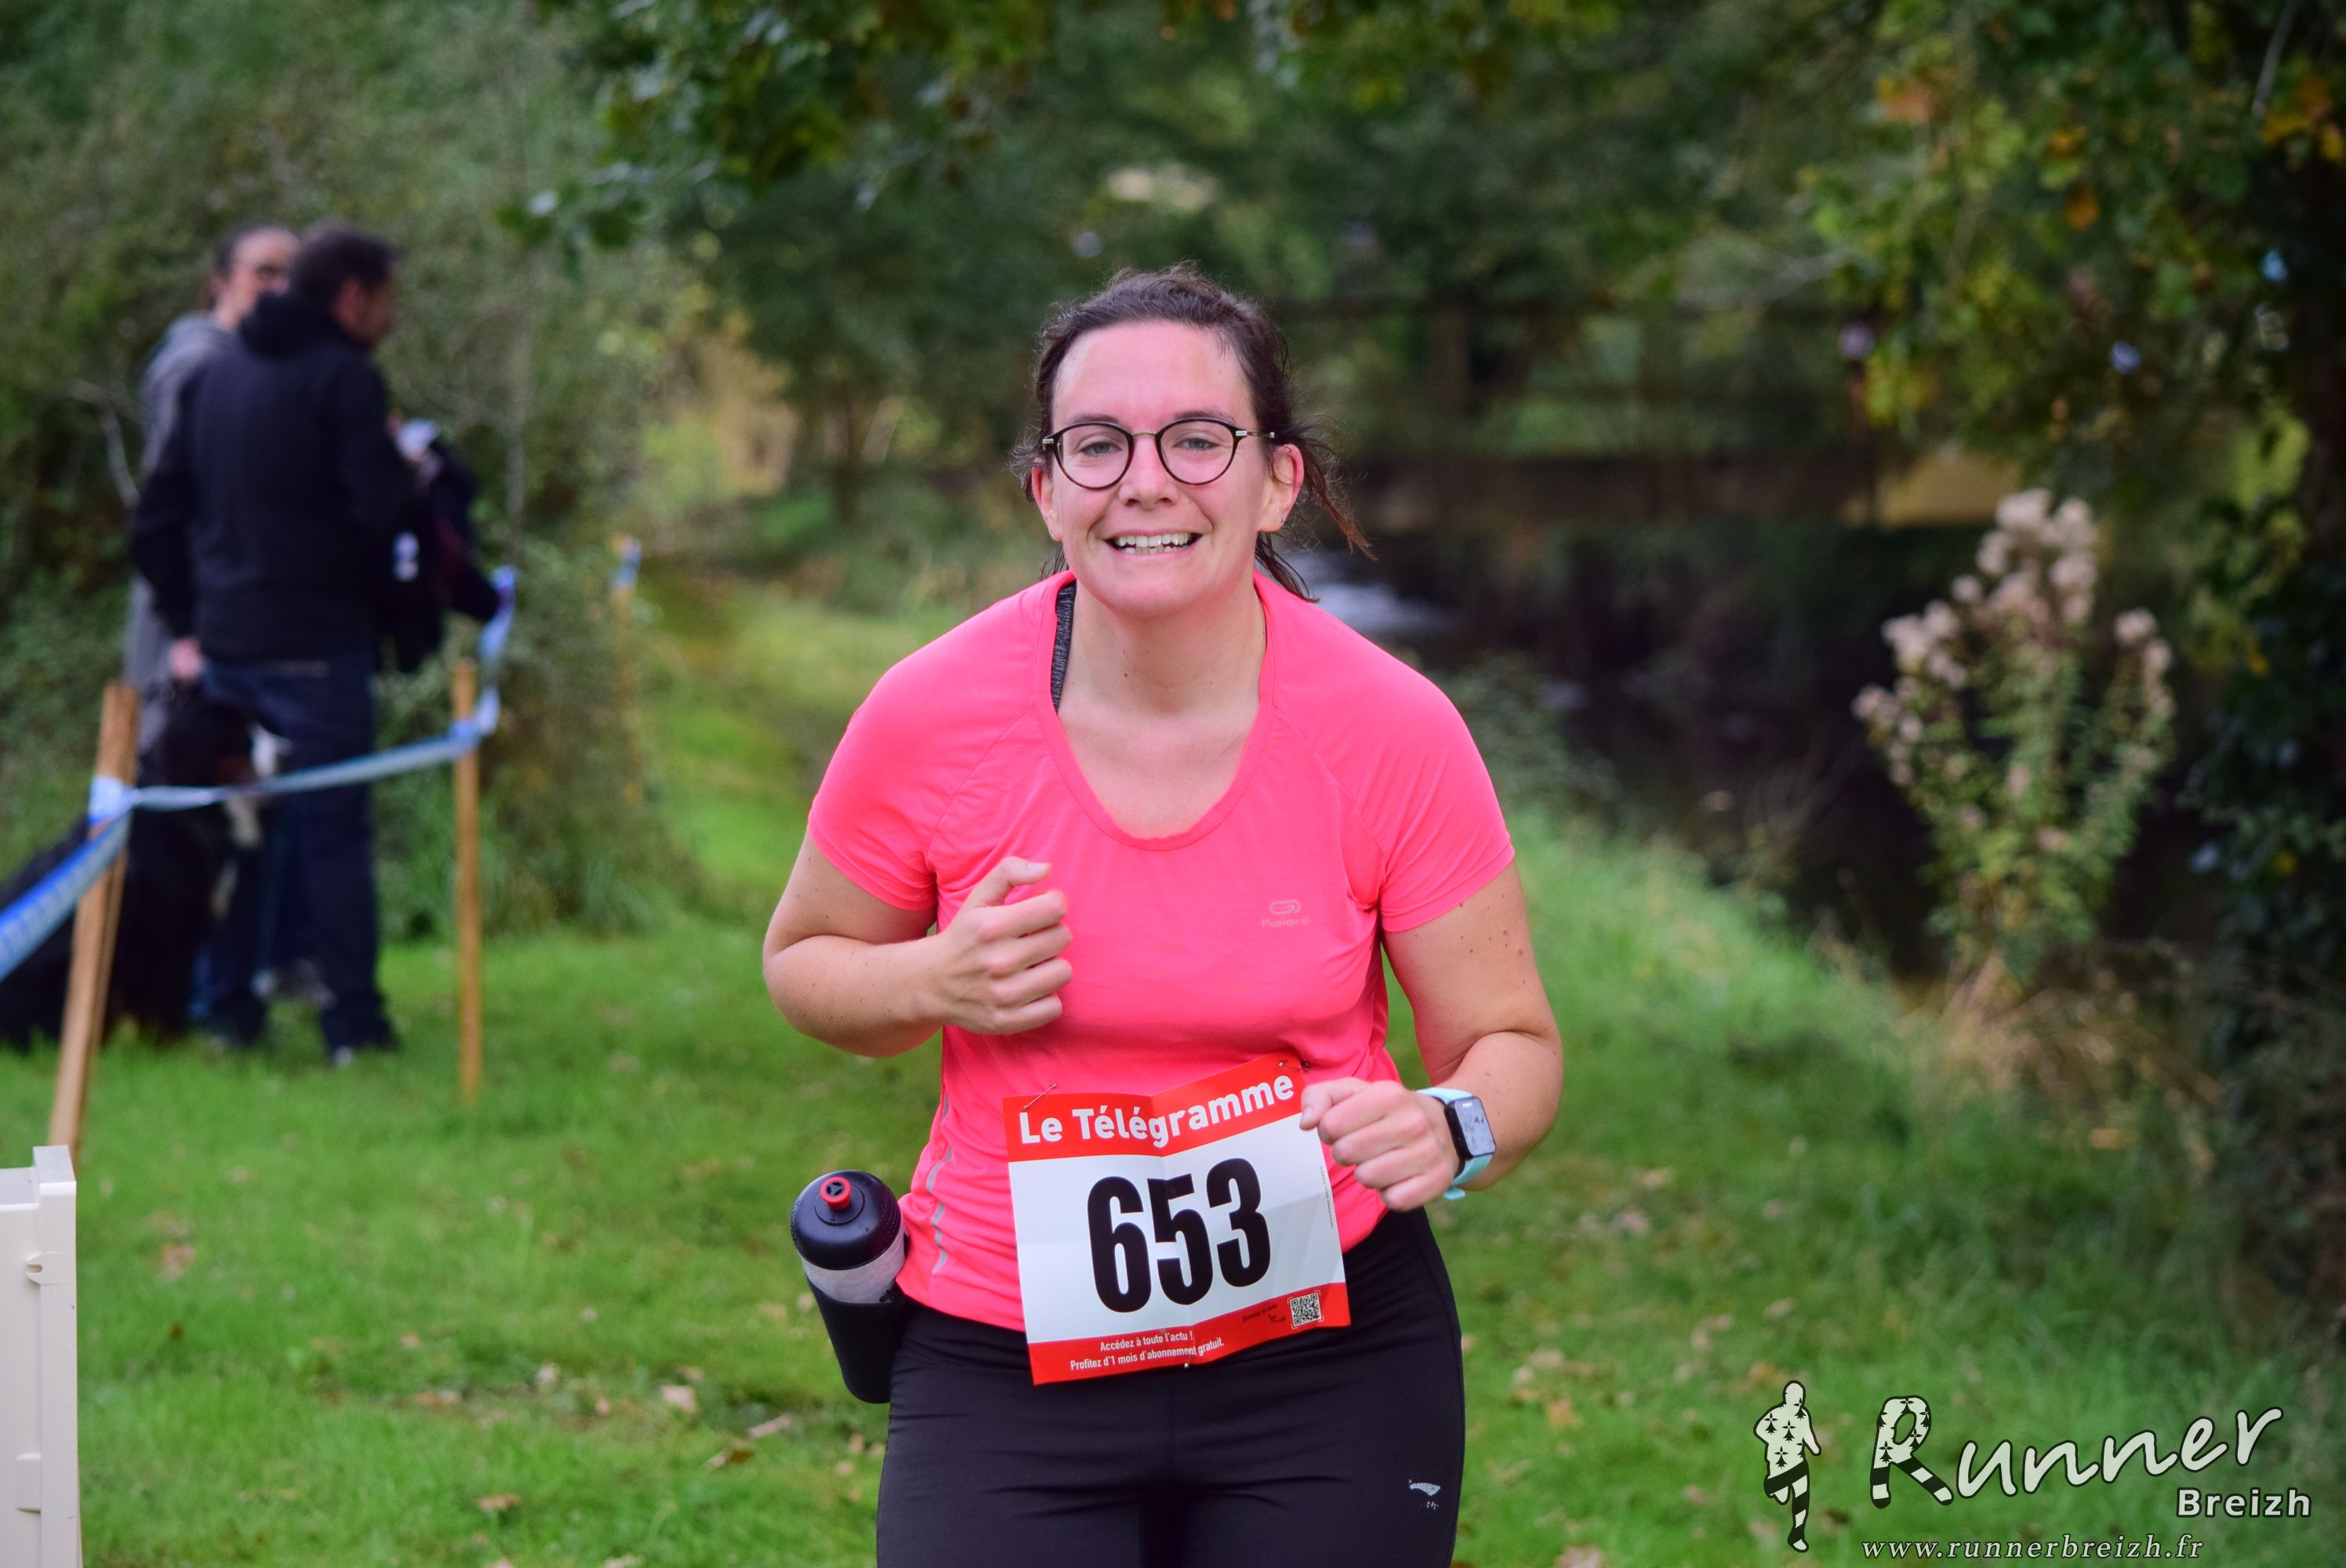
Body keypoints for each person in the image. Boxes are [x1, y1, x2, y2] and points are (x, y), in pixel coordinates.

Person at [761, 264, 1564, 1566]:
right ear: (1046, 489)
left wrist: (1449, 1124)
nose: (1145, 481)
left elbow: (1513, 1046)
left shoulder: (1392, 729)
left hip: (1328, 1353)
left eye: (1197, 439)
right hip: (1006, 1350)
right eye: (1097, 445)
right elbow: (802, 964)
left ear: (1276, 480)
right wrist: (930, 981)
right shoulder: (930, 714)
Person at [132, 223, 412, 1062]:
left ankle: (227, 1009)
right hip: (316, 651)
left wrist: (196, 620)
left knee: (243, 835)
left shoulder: (217, 377)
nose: (392, 320)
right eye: (388, 302)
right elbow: (381, 513)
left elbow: (155, 521)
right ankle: (352, 1023)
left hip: (228, 651)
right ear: (354, 297)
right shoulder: (345, 380)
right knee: (332, 835)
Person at [125, 223, 296, 750]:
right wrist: (188, 626)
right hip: (192, 608)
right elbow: (171, 509)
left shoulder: (261, 367)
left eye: (292, 276)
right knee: (179, 759)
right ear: (222, 282)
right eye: (265, 272)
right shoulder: (196, 365)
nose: (281, 288)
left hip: (243, 606)